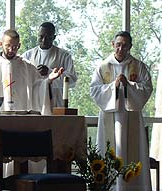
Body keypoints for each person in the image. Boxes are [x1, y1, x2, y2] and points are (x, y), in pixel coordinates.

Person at [90, 31, 152, 191]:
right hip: (110, 115)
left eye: (125, 45)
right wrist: (114, 86)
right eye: (118, 44)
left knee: (132, 152)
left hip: (131, 117)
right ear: (113, 44)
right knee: (110, 151)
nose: (120, 48)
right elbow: (95, 91)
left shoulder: (138, 66)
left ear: (130, 46)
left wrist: (129, 86)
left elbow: (147, 89)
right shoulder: (103, 67)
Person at [0, 29, 64, 115]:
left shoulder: (27, 66)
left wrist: (48, 80)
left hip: (20, 114)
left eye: (14, 47)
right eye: (8, 46)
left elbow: (38, 87)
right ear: (1, 44)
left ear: (19, 46)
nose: (11, 50)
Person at [21, 22, 77, 107]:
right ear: (37, 35)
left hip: (56, 103)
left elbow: (72, 79)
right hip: (34, 102)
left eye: (48, 37)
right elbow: (21, 77)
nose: (44, 40)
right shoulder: (28, 56)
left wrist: (50, 72)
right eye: (41, 36)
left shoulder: (64, 55)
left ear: (54, 37)